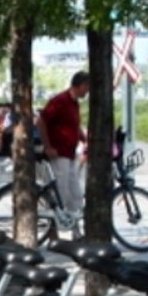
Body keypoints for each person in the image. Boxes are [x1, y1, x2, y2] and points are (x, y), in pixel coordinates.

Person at [40, 71, 90, 214]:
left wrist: (84, 138)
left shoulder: (74, 103)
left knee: (75, 192)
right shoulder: (60, 100)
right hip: (59, 152)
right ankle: (53, 229)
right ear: (81, 85)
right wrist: (48, 146)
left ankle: (75, 230)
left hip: (69, 153)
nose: (87, 91)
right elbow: (41, 121)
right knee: (61, 192)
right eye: (87, 87)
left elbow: (72, 125)